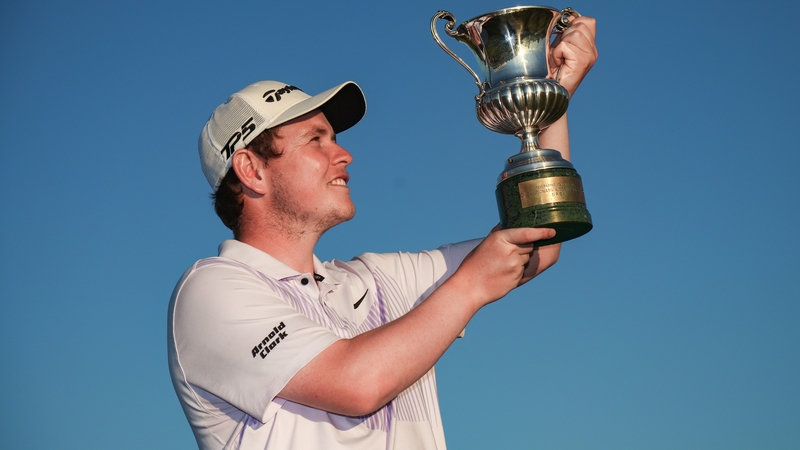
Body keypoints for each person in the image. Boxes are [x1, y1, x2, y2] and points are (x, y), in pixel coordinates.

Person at [168, 16, 597, 450]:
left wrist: (552, 97)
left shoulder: (376, 280)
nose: (344, 154)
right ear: (251, 170)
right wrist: (469, 286)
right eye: (316, 139)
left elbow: (540, 235)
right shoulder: (210, 289)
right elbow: (356, 383)